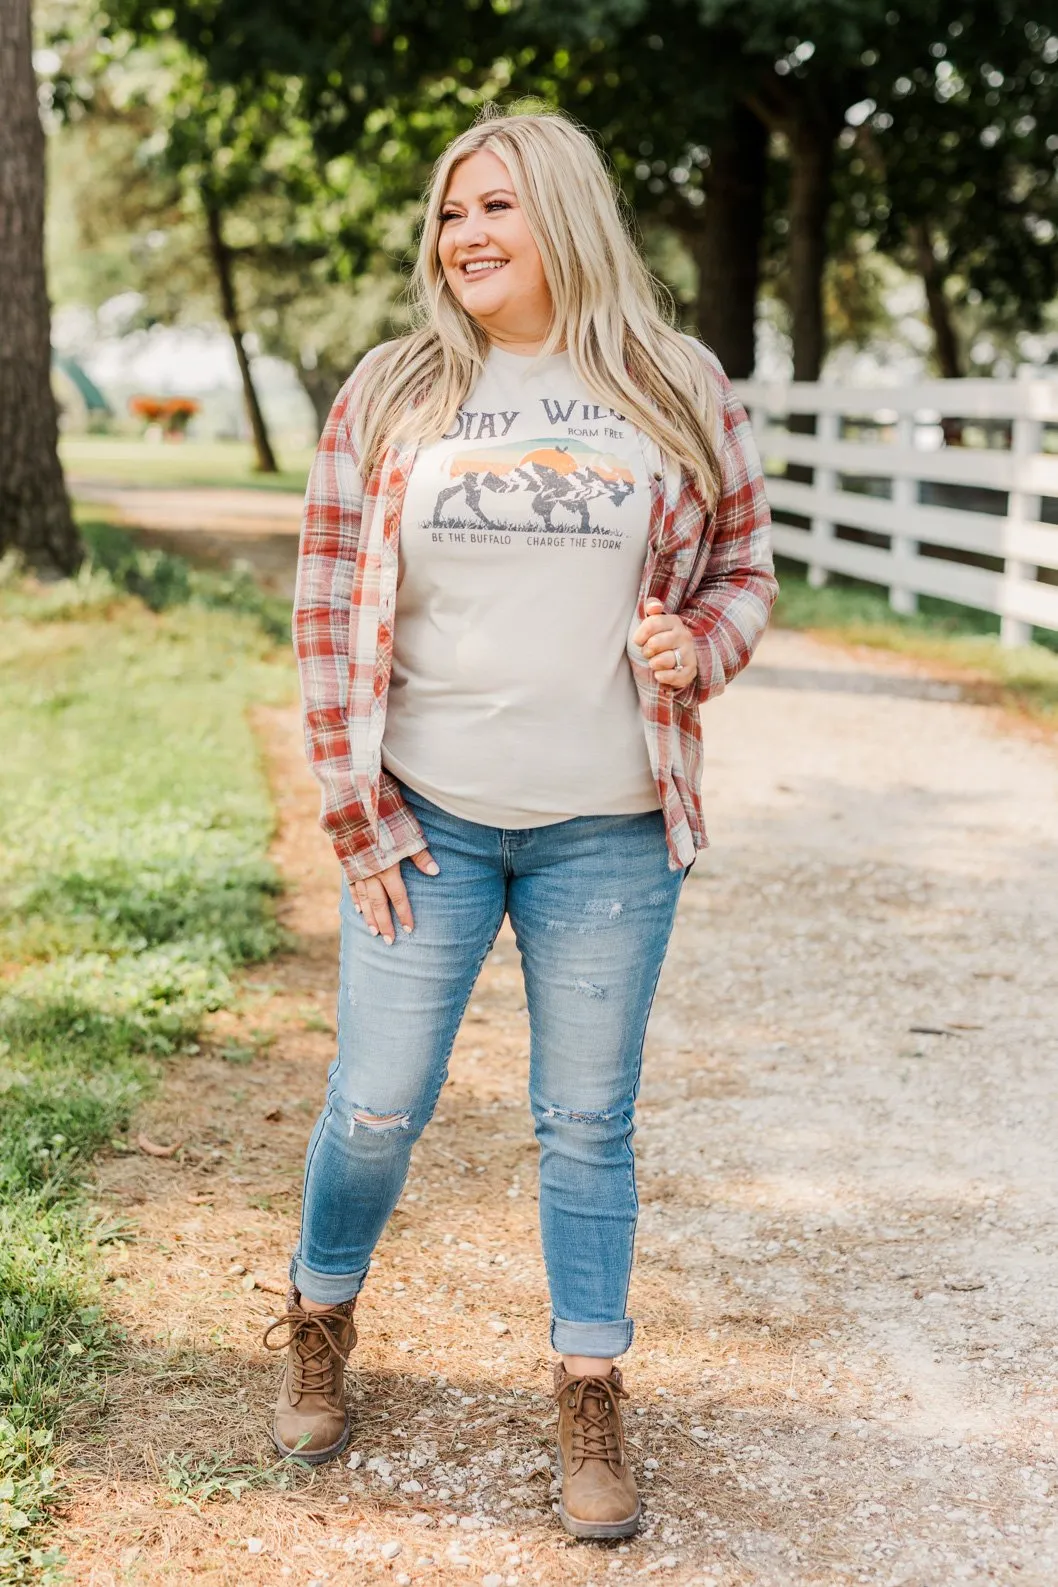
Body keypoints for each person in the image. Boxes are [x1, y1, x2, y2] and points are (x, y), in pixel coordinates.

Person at [266, 107, 776, 1542]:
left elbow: (743, 570)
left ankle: (590, 1387)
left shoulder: (676, 385)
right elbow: (320, 610)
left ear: (564, 215)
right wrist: (352, 807)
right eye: (450, 214)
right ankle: (316, 1310)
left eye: (495, 207)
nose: (467, 236)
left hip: (609, 827)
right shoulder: (395, 387)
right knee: (375, 1100)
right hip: (424, 816)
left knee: (584, 1121)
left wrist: (702, 649)